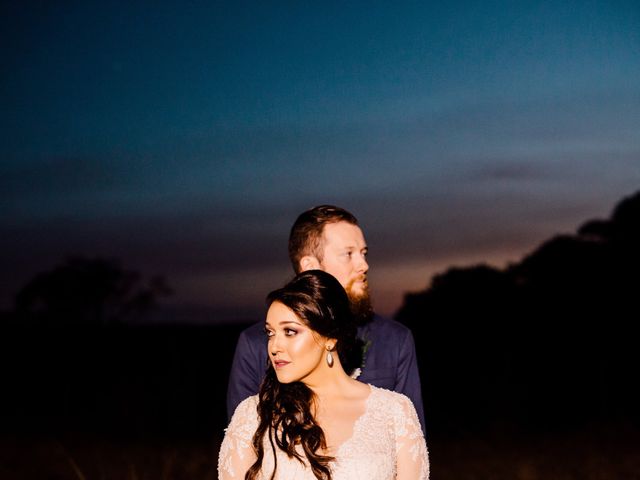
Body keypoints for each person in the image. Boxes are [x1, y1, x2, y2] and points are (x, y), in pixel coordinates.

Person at [227, 205, 425, 432]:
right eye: (348, 254)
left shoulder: (395, 340)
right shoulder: (255, 344)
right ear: (311, 267)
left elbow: (414, 443)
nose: (364, 265)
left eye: (363, 253)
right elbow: (243, 445)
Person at [218, 270, 429, 480]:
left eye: (290, 332)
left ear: (330, 337)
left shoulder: (395, 412)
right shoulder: (252, 416)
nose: (274, 346)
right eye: (270, 333)